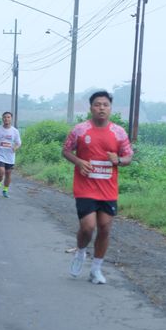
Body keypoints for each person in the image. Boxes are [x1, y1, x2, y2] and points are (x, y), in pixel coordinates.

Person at [62, 90, 133, 284]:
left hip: (108, 189)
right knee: (88, 227)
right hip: (85, 187)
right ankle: (80, 253)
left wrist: (118, 160)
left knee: (104, 228)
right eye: (97, 104)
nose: (101, 108)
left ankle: (96, 269)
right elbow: (66, 150)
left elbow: (128, 157)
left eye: (105, 105)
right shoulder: (80, 130)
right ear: (91, 108)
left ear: (110, 108)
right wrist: (79, 162)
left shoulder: (118, 132)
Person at [0, 111, 21, 198]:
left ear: (11, 119)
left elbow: (18, 143)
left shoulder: (15, 131)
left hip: (10, 156)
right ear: (2, 118)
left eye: (8, 117)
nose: (6, 119)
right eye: (5, 117)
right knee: (1, 171)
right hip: (0, 154)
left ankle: (5, 190)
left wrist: (15, 147)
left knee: (8, 173)